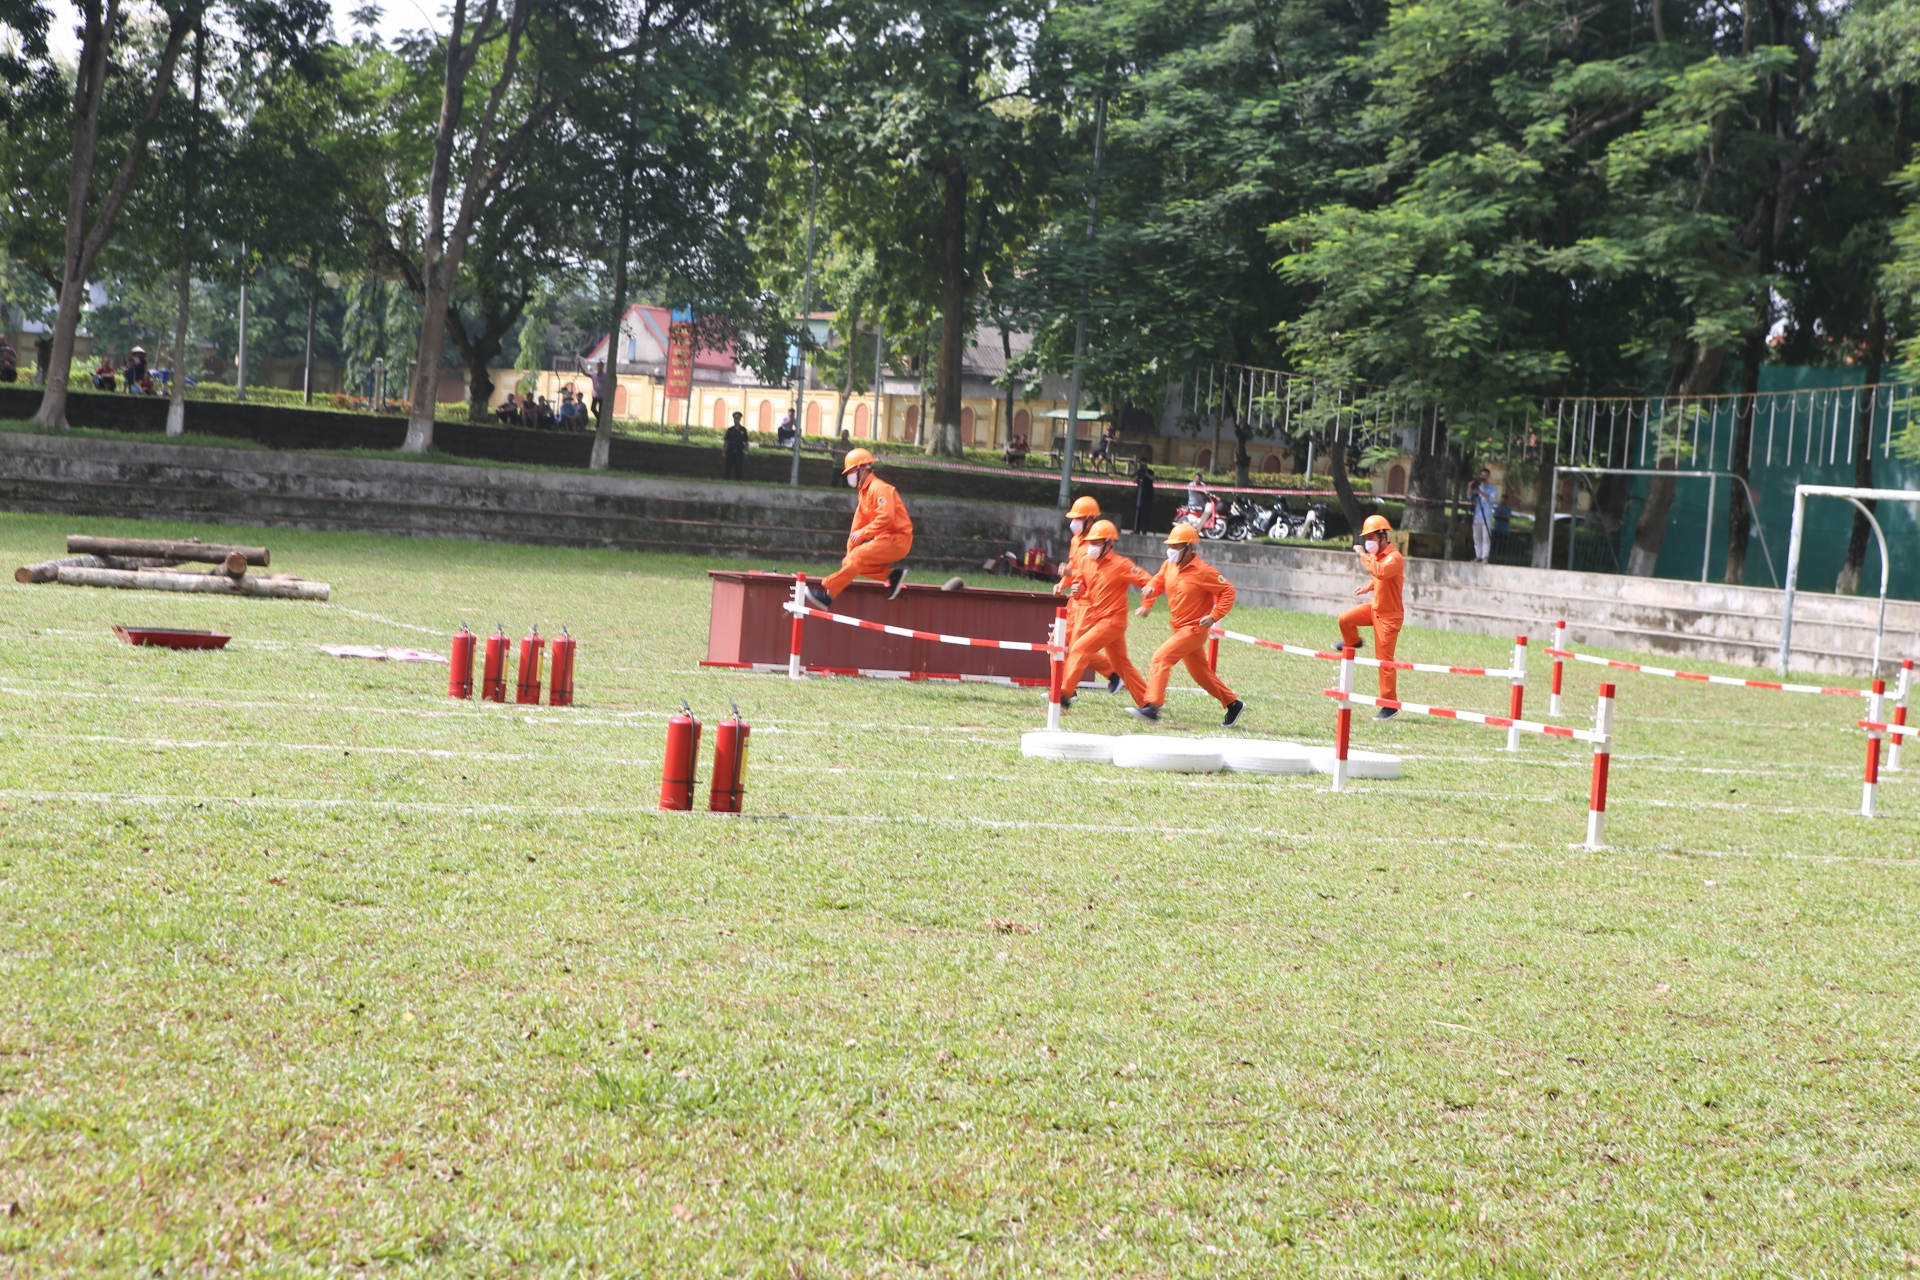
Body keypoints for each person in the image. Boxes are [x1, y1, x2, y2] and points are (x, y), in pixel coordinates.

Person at [1131, 524, 1243, 727]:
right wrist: (1151, 589)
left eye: (1177, 546)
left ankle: (1152, 706)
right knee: (1200, 674)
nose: (1171, 550)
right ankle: (1232, 703)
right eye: (1170, 546)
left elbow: (1228, 591)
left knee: (1160, 658)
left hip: (1194, 629)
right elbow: (1159, 580)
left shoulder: (1204, 571)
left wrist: (1214, 615)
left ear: (1189, 548)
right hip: (1178, 627)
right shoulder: (1169, 565)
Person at [1058, 520, 1150, 710]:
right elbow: (1080, 582)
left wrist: (1146, 604)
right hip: (1098, 619)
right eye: (1091, 542)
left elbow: (1148, 581)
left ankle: (1064, 694)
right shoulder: (1086, 561)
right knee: (1121, 664)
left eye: (1097, 543)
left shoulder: (1121, 565)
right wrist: (1077, 589)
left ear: (1109, 544)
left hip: (1113, 621)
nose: (1091, 547)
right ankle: (1148, 702)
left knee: (1080, 648)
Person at [809, 447, 913, 607]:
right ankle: (893, 575)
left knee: (857, 557)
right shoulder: (864, 493)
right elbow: (858, 521)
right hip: (886, 540)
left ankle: (828, 595)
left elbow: (886, 517)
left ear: (863, 470)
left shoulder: (879, 489)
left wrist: (863, 534)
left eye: (851, 472)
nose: (849, 476)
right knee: (850, 561)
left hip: (898, 540)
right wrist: (850, 549)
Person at [1339, 513, 1406, 719]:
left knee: (1384, 661)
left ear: (1383, 536)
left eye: (1370, 538)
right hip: (1375, 608)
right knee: (1345, 619)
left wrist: (1362, 554)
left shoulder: (1394, 558)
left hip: (1389, 617)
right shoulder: (1379, 556)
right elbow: (1378, 580)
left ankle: (1390, 705)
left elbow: (1381, 573)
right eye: (1365, 539)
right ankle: (1354, 641)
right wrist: (1367, 588)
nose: (1367, 543)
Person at [1056, 496, 1118, 695]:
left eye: (1079, 518)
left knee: (1077, 647)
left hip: (1088, 604)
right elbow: (1073, 568)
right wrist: (1062, 583)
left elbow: (1094, 575)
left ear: (1090, 520)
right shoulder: (1075, 541)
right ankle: (1065, 689)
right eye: (1074, 518)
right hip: (1073, 602)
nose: (1074, 523)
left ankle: (1067, 690)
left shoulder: (1097, 544)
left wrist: (1070, 574)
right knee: (1056, 644)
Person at [1470, 467, 1498, 564]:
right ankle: (1478, 555)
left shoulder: (1493, 488)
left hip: (1487, 516)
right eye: (1482, 475)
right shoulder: (1478, 486)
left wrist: (1481, 492)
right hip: (1477, 515)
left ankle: (1485, 556)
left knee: (1486, 537)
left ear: (1489, 476)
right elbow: (1469, 496)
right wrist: (1470, 486)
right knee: (1476, 537)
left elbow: (1491, 499)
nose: (1484, 477)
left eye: (1486, 476)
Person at [723, 411, 749, 480]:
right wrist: (724, 451)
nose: (736, 420)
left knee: (739, 469)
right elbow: (726, 441)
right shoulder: (730, 430)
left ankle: (739, 481)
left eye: (737, 418)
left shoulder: (743, 430)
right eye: (735, 418)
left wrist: (746, 452)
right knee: (727, 468)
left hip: (739, 452)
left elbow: (746, 442)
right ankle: (726, 480)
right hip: (730, 452)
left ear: (740, 419)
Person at [1131, 460, 1155, 534]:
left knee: (1146, 512)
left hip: (1148, 494)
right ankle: (1136, 530)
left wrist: (1147, 474)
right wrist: (1138, 474)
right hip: (1139, 493)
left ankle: (1144, 530)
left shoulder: (1150, 471)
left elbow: (1153, 479)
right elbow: (1133, 480)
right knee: (1138, 511)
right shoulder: (1138, 471)